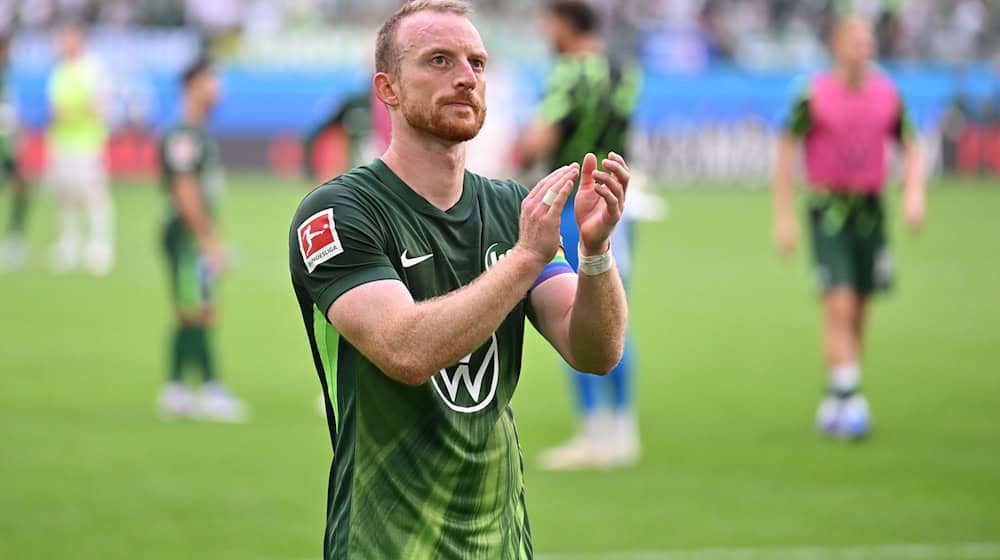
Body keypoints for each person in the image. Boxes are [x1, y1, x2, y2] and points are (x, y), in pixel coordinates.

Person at [288, 1, 630, 557]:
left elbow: (594, 349)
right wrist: (522, 260)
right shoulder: (338, 213)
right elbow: (405, 349)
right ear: (388, 87)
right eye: (439, 61)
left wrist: (596, 253)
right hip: (384, 545)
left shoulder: (509, 207)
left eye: (477, 62)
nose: (466, 78)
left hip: (503, 544)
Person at [772, 16, 925, 440]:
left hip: (872, 212)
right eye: (856, 41)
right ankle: (852, 398)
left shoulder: (887, 93)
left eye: (868, 41)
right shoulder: (813, 94)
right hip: (829, 211)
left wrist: (914, 194)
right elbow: (786, 149)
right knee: (837, 301)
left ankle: (836, 395)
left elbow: (910, 145)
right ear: (837, 45)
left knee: (859, 306)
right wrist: (783, 217)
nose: (865, 48)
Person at [516, 0, 643, 470]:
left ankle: (593, 432)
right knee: (614, 309)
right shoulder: (623, 70)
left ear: (566, 26)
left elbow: (539, 139)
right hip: (618, 201)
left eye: (549, 23)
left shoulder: (570, 73)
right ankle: (622, 431)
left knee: (578, 309)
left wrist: (522, 149)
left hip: (574, 203)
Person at [157, 57, 247, 423]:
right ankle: (209, 388)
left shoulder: (197, 132)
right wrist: (208, 241)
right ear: (194, 86)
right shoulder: (183, 135)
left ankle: (176, 388)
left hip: (190, 236)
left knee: (190, 309)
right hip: (186, 237)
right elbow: (184, 189)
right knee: (198, 310)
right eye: (213, 80)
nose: (218, 89)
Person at [46, 23, 113, 275]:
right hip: (62, 142)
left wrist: (71, 115)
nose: (64, 44)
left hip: (87, 142)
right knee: (64, 195)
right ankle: (69, 244)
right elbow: (54, 109)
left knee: (92, 194)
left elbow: (97, 106)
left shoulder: (92, 68)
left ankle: (99, 245)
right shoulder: (60, 70)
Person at [0, 34, 30, 269]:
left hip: (6, 146)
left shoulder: (8, 74)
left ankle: (15, 239)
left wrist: (17, 135)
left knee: (20, 188)